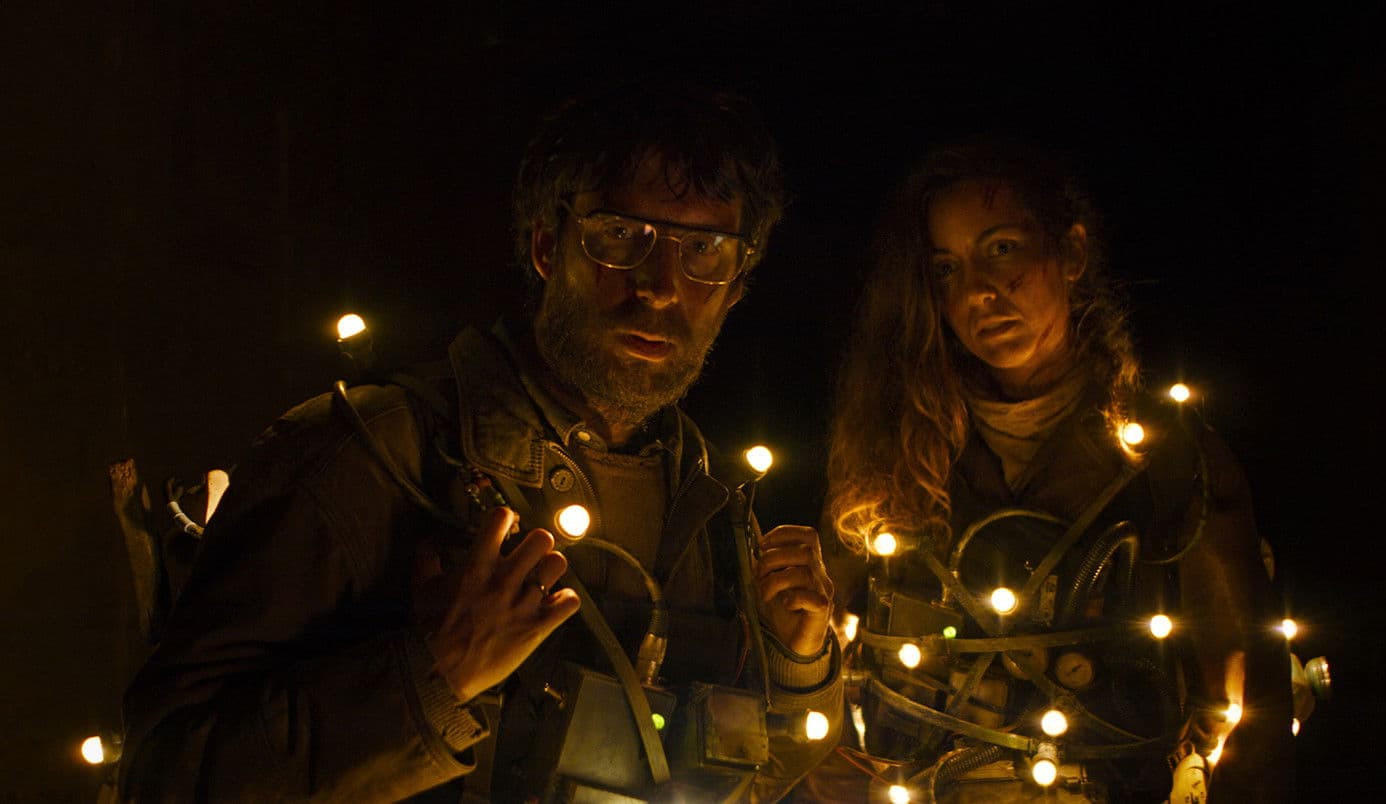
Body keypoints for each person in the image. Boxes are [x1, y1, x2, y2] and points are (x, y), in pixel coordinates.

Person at [117, 82, 843, 803]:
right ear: (547, 245)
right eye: (622, 235)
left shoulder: (710, 511)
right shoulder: (364, 460)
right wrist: (432, 679)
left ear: (736, 284)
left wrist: (799, 669)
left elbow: (736, 784)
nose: (660, 286)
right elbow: (164, 776)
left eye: (705, 250)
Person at [799, 139, 1293, 802]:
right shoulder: (893, 452)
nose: (978, 291)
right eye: (946, 269)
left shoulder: (1165, 459)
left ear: (1072, 253)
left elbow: (1248, 709)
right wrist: (821, 748)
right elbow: (809, 640)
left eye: (1001, 248)